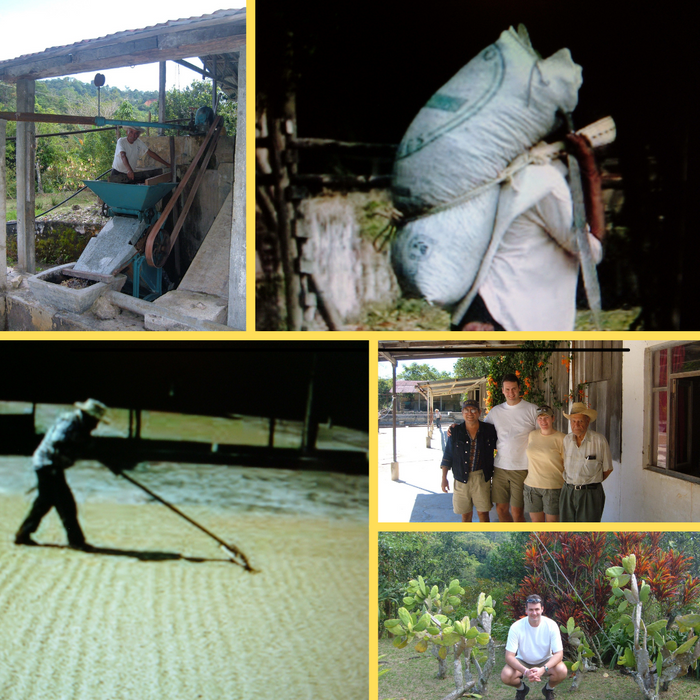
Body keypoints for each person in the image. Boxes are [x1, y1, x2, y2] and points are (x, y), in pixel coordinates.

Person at [457, 133, 605, 331]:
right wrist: (591, 172)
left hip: (486, 306)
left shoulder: (514, 172)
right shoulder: (546, 181)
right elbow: (590, 252)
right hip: (507, 315)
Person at [15, 399, 110, 550]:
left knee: (44, 502)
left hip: (49, 464)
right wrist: (81, 444)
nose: (96, 425)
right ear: (88, 417)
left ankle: (23, 534)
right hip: (48, 464)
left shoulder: (80, 425)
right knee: (66, 505)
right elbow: (58, 441)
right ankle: (76, 541)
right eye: (95, 421)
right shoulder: (70, 422)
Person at [481, 374, 538, 522]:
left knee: (518, 512)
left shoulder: (532, 409)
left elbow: (543, 435)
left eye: (514, 389)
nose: (511, 392)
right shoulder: (496, 411)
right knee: (501, 509)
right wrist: (456, 429)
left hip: (522, 468)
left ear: (519, 388)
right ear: (502, 390)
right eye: (507, 389)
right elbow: (480, 430)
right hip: (500, 467)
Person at [502, 594, 568, 700]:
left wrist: (543, 669)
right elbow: (509, 656)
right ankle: (521, 689)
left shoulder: (551, 625)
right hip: (523, 662)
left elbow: (559, 654)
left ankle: (548, 689)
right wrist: (525, 671)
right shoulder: (516, 627)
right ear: (526, 610)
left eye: (537, 609)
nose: (534, 613)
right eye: (531, 609)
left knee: (562, 670)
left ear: (542, 609)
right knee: (506, 675)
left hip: (545, 661)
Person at [440, 400, 496, 523]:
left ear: (479, 412)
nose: (470, 413)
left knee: (483, 513)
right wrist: (444, 477)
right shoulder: (455, 431)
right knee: (465, 515)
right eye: (466, 410)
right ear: (462, 412)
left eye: (473, 410)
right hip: (460, 478)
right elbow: (448, 455)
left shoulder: (489, 430)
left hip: (481, 477)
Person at [559, 402, 613, 522]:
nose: (576, 425)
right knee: (566, 532)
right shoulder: (567, 440)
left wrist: (589, 483)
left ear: (587, 421)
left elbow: (608, 469)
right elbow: (564, 464)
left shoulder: (599, 440)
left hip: (590, 494)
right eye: (573, 421)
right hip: (568, 492)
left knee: (587, 533)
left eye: (580, 421)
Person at [524, 406, 565, 523]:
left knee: (552, 524)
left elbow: (566, 464)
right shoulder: (532, 435)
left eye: (546, 418)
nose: (543, 421)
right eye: (540, 418)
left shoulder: (562, 438)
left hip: (553, 487)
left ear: (553, 418)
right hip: (531, 486)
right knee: (536, 523)